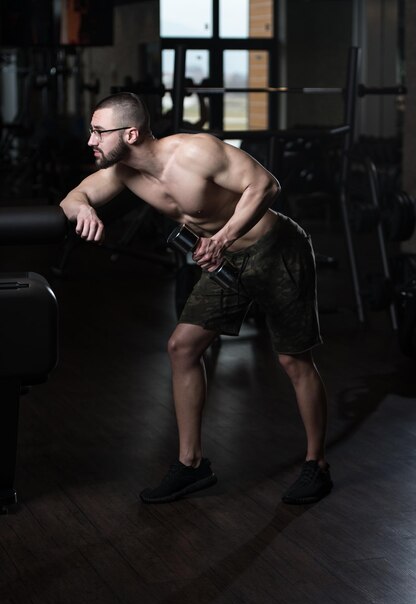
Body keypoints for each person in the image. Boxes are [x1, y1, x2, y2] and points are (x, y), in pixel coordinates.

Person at [60, 92, 333, 505]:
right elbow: (73, 197)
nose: (91, 140)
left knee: (294, 360)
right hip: (224, 262)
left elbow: (266, 185)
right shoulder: (123, 173)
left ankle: (317, 464)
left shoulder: (195, 152)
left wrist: (222, 237)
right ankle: (191, 465)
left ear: (130, 133)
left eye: (99, 131)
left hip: (275, 248)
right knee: (181, 348)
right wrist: (83, 210)